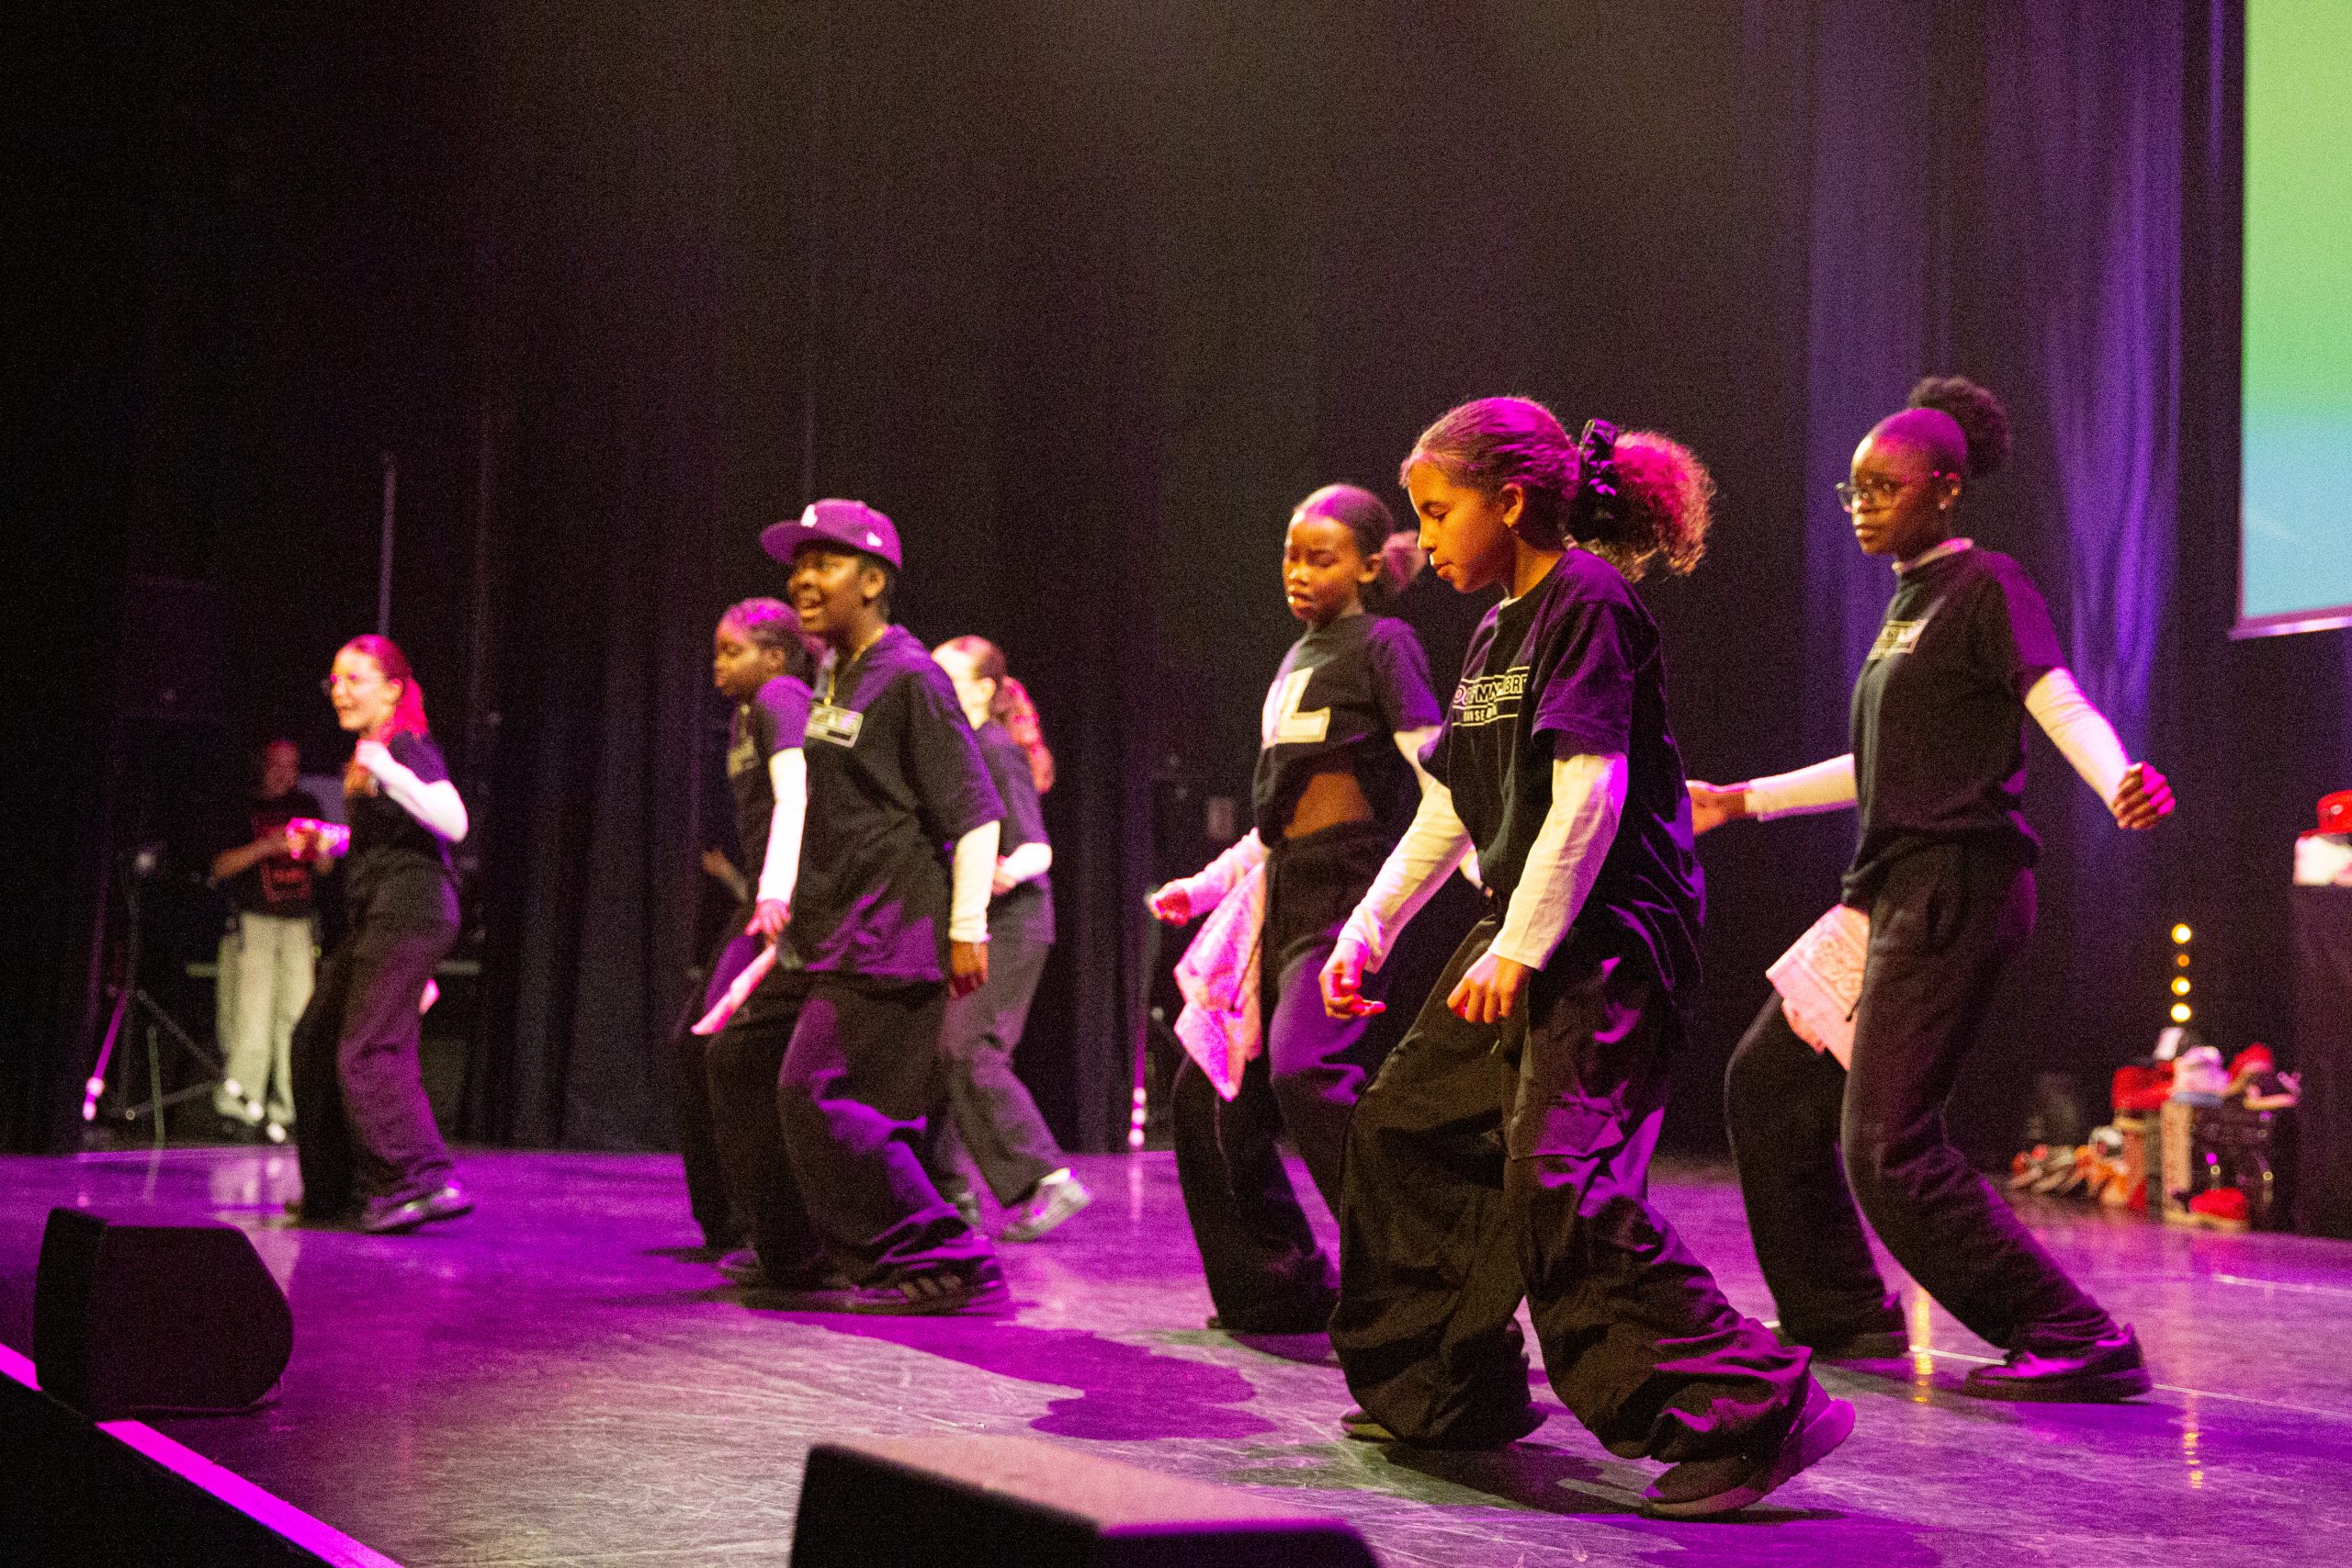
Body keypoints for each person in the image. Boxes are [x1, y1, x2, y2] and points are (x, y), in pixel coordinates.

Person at [1320, 400, 1849, 1519]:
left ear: (1510, 501)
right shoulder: (1494, 631)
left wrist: (1519, 947)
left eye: (1438, 512)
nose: (1425, 537)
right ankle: (1445, 1385)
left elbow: (1590, 791)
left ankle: (1751, 1409)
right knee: (1407, 1124)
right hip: (1526, 922)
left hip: (1608, 936)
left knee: (1559, 1178)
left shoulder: (1589, 601)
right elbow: (1452, 805)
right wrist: (1369, 927)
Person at [1691, 375, 2174, 1400]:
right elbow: (1883, 761)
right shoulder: (1906, 606)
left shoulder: (1986, 585)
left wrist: (2116, 779)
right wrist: (1741, 801)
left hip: (1954, 888)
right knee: (1768, 1085)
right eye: (1853, 489)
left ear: (1946, 487)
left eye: (1885, 487)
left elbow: (2055, 699)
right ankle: (1838, 1312)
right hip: (1885, 893)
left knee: (1888, 1145)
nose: (1861, 505)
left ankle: (2072, 1334)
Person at [1148, 484, 1442, 1334]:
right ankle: (1274, 1285)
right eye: (1291, 555)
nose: (1300, 571)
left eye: (1322, 558)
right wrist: (1208, 885)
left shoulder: (1384, 643)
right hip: (1281, 889)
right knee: (1205, 1090)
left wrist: (1479, 862)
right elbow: (1277, 818)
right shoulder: (1294, 658)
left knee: (1304, 1068)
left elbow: (1433, 768)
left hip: (1345, 885)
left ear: (1369, 565)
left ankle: (1418, 1272)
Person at [705, 499, 1009, 1314]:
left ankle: (942, 1260)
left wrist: (967, 928)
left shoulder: (910, 676)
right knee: (741, 1059)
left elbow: (975, 811)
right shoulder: (831, 676)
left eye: (825, 563)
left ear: (872, 581)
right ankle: (799, 1250)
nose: (803, 579)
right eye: (797, 565)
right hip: (831, 930)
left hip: (892, 931)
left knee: (822, 1091)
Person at [285, 636, 472, 1235]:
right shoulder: (372, 752)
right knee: (315, 1039)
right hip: (379, 913)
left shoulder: (405, 745)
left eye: (355, 679)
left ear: (392, 690)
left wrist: (388, 770)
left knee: (369, 1046)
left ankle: (418, 1179)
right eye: (335, 681)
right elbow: (389, 840)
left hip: (411, 911)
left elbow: (453, 822)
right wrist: (330, 840)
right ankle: (333, 1190)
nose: (340, 691)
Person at [923, 635, 1091, 1241]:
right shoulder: (961, 748)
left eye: (948, 678)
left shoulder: (995, 749)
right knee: (941, 1052)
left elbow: (1038, 848)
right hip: (979, 920)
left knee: (970, 1047)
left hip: (1013, 924)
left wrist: (1003, 871)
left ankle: (1048, 1177)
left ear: (984, 689)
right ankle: (948, 1191)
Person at [674, 599, 815, 1255]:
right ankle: (733, 1222)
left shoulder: (782, 697)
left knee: (725, 1049)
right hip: (760, 899)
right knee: (697, 1046)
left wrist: (778, 894)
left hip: (783, 903)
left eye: (733, 651)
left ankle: (760, 1225)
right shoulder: (746, 714)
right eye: (716, 652)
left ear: (777, 656)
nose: (718, 665)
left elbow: (797, 796)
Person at [208, 738, 322, 1139]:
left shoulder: (306, 805)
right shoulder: (241, 806)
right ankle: (240, 1108)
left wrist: (322, 848)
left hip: (298, 923)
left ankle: (290, 1110)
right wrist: (268, 845)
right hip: (254, 920)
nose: (285, 774)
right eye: (278, 765)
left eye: (293, 766)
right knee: (250, 1018)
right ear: (262, 764)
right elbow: (220, 866)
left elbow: (325, 867)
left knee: (297, 1017)